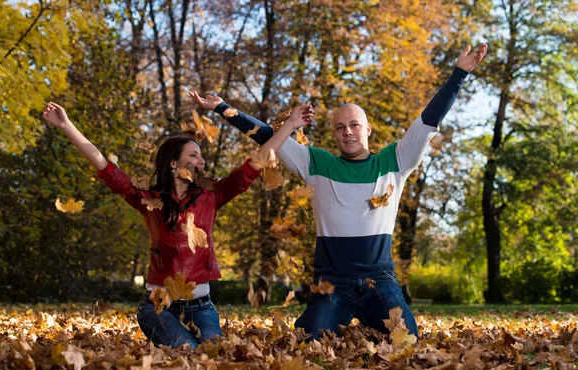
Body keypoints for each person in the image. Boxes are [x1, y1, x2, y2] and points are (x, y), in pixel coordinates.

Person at [190, 44, 488, 340]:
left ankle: (370, 325)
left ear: (367, 129)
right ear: (334, 133)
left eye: (354, 125)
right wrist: (222, 107)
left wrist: (458, 74)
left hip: (379, 282)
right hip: (332, 284)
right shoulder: (316, 163)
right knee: (309, 343)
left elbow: (428, 120)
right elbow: (268, 136)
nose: (347, 132)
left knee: (406, 341)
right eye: (340, 127)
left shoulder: (395, 161)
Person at [42, 102, 314, 348]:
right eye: (194, 155)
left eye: (201, 156)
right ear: (174, 164)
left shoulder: (212, 195)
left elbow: (256, 163)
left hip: (202, 306)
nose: (202, 161)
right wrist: (66, 125)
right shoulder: (148, 200)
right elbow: (104, 166)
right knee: (188, 353)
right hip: (158, 308)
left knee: (213, 355)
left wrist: (290, 125)